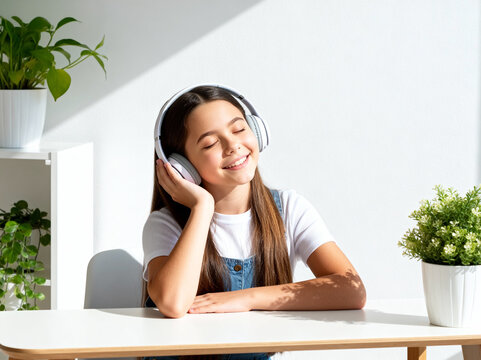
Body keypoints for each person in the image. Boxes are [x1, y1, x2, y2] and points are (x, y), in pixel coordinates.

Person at [142, 85, 366, 360]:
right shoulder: (165, 224)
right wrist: (202, 208)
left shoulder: (289, 209)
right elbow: (173, 303)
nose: (233, 145)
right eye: (210, 143)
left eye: (239, 130)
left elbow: (350, 290)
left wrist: (246, 298)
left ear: (257, 132)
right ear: (180, 166)